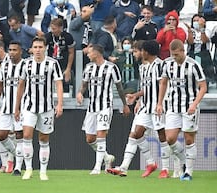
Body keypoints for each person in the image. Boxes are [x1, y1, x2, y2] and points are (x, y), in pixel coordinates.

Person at [107, 40, 170, 178]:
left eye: (141, 51)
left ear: (145, 52)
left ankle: (165, 168)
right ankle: (132, 166)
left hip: (158, 106)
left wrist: (160, 103)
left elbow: (163, 85)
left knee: (162, 136)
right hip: (146, 105)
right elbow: (147, 88)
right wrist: (137, 97)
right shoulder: (143, 67)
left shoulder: (161, 65)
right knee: (136, 133)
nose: (139, 53)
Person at [156, 39, 207, 181]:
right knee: (170, 138)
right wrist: (159, 103)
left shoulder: (193, 65)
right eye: (172, 55)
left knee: (189, 139)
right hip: (173, 107)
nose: (175, 57)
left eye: (177, 55)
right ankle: (184, 161)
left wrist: (195, 104)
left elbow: (203, 87)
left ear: (183, 51)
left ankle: (188, 172)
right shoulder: (167, 64)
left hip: (189, 107)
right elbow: (163, 83)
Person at [14, 36, 63, 181]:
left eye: (40, 47)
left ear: (45, 48)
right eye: (35, 47)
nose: (37, 50)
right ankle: (28, 169)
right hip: (29, 106)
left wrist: (60, 104)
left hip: (47, 107)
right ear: (31, 49)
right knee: (27, 135)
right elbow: (21, 85)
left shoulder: (52, 64)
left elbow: (59, 84)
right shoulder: (26, 64)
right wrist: (16, 107)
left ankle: (43, 171)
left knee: (43, 138)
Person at [76, 44, 130, 175]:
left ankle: (97, 167)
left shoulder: (111, 68)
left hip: (105, 106)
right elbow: (84, 84)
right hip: (92, 107)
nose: (87, 55)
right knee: (90, 139)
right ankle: (107, 157)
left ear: (96, 53)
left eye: (89, 52)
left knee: (101, 134)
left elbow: (119, 87)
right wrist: (80, 93)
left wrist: (125, 104)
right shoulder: (88, 68)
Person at [0, 40, 25, 176]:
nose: (12, 53)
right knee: (1, 135)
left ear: (20, 52)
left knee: (19, 135)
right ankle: (19, 155)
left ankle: (17, 167)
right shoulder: (4, 66)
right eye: (10, 50)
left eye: (15, 50)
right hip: (6, 106)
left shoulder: (26, 65)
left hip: (22, 107)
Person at [45, 18, 75, 94]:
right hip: (52, 64)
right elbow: (42, 47)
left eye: (54, 29)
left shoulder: (68, 37)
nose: (52, 30)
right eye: (51, 28)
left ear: (60, 28)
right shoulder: (48, 36)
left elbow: (71, 53)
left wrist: (68, 69)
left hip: (64, 64)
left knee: (65, 85)